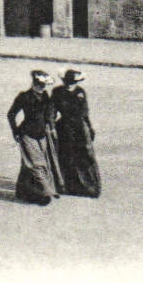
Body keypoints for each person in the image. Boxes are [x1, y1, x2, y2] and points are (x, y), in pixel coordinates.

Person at [6, 70, 62, 206]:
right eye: (39, 84)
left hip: (42, 135)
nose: (42, 87)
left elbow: (50, 115)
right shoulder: (24, 96)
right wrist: (15, 132)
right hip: (27, 134)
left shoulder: (46, 96)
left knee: (31, 164)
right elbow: (11, 114)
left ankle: (24, 191)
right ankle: (46, 192)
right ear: (34, 83)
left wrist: (51, 127)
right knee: (37, 164)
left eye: (44, 85)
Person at [50, 68, 100, 197]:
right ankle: (67, 185)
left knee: (85, 155)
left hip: (80, 128)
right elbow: (52, 111)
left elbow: (85, 112)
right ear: (64, 81)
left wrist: (89, 127)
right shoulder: (57, 92)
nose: (70, 84)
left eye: (72, 82)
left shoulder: (80, 92)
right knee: (66, 156)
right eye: (68, 81)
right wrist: (51, 127)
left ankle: (89, 186)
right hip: (64, 127)